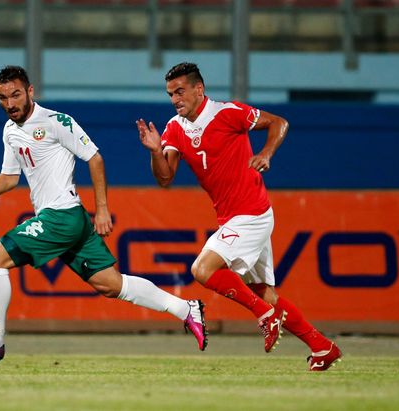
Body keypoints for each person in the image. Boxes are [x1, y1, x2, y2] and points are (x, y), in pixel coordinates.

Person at [0, 65, 207, 362]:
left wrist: (102, 210)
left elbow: (95, 158)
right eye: (3, 97)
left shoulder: (56, 121)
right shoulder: (10, 131)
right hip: (67, 222)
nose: (10, 103)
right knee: (111, 285)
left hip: (61, 216)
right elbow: (8, 178)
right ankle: (186, 309)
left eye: (16, 95)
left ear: (30, 91)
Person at [137, 62, 342, 371]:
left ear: (198, 89)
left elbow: (279, 123)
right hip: (233, 217)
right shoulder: (175, 128)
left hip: (252, 213)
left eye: (180, 91)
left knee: (202, 270)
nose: (175, 99)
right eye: (170, 94)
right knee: (265, 293)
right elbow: (165, 179)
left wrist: (266, 154)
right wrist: (155, 152)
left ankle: (264, 315)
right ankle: (322, 347)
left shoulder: (227, 113)